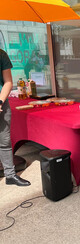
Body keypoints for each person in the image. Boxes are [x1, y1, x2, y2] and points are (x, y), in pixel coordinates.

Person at [0, 49, 31, 187]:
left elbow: (8, 82)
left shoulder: (1, 54)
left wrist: (0, 102)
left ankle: (10, 175)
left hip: (2, 101)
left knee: (4, 140)